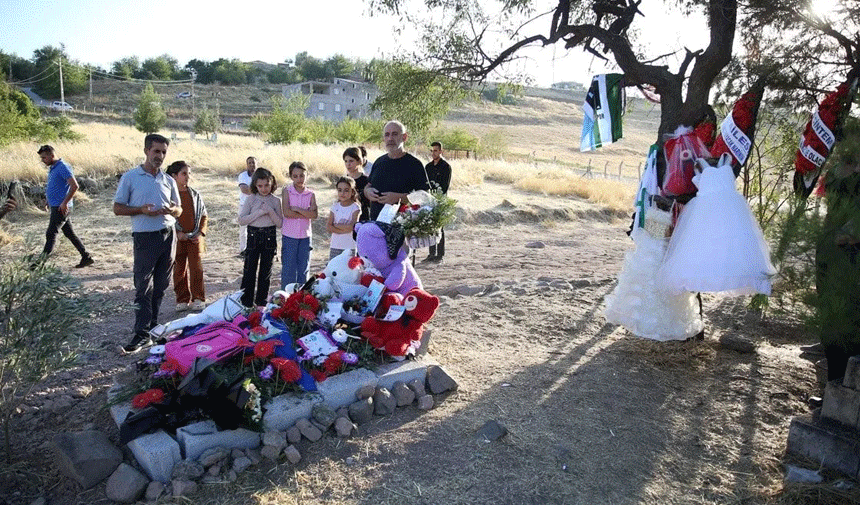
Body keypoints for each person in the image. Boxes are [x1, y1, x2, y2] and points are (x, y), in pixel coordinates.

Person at [113, 133, 182, 353]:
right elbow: (117, 208)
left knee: (161, 285)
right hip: (145, 238)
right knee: (143, 287)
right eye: (156, 151)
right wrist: (141, 210)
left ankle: (153, 328)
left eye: (163, 152)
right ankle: (140, 334)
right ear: (146, 151)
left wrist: (173, 210)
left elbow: (179, 209)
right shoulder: (131, 177)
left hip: (167, 236)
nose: (159, 156)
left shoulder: (168, 180)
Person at [36, 145, 93, 267]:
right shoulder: (53, 168)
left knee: (51, 234)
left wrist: (64, 203)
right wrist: (48, 200)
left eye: (44, 157)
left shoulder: (63, 167)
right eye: (41, 158)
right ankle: (86, 257)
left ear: (52, 155)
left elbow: (75, 186)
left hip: (61, 208)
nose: (42, 160)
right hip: (56, 206)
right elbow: (55, 186)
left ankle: (38, 265)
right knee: (69, 234)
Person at [364, 121, 430, 220]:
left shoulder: (415, 164)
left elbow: (425, 197)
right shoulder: (379, 162)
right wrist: (367, 191)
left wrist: (399, 198)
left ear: (404, 137)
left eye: (395, 134)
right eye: (387, 135)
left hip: (404, 226)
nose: (390, 138)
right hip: (376, 225)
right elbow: (368, 186)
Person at [166, 161, 208, 312]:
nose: (188, 177)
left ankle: (198, 298)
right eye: (184, 174)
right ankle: (182, 299)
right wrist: (177, 234)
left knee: (196, 268)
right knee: (179, 269)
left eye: (189, 173)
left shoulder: (195, 195)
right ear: (174, 176)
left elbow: (204, 215)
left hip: (194, 238)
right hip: (176, 239)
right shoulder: (168, 195)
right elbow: (165, 217)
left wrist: (200, 233)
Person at [239, 168, 282, 308]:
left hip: (269, 236)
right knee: (249, 269)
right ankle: (245, 302)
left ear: (272, 183)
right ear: (255, 185)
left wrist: (269, 211)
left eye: (267, 185)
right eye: (260, 186)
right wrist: (258, 213)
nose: (264, 189)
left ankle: (261, 302)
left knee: (265, 271)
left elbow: (280, 224)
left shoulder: (275, 201)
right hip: (253, 235)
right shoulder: (251, 199)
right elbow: (241, 220)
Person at [281, 161, 318, 287]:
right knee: (288, 268)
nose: (299, 179)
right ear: (291, 176)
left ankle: (302, 297)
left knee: (303, 268)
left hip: (305, 236)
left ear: (306, 175)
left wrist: (297, 209)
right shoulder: (287, 191)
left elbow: (314, 215)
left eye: (302, 175)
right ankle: (286, 296)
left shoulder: (311, 194)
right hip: (289, 236)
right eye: (295, 176)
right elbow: (286, 213)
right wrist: (306, 213)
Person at [423, 141, 452, 262]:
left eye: (435, 150)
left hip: (440, 200)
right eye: (432, 150)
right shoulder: (428, 167)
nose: (433, 153)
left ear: (441, 151)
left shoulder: (446, 167)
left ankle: (440, 255)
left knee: (439, 227)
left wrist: (436, 196)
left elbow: (444, 186)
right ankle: (431, 253)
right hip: (429, 200)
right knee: (430, 226)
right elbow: (425, 183)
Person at [327, 176, 361, 259]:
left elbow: (352, 227)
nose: (342, 193)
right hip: (335, 246)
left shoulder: (355, 208)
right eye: (340, 190)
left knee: (348, 271)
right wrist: (344, 229)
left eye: (346, 190)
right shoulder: (335, 206)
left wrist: (336, 226)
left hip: (349, 246)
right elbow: (329, 227)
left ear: (352, 192)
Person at [237, 156, 258, 257]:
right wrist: (258, 189)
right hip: (244, 205)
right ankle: (243, 249)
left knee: (256, 229)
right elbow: (244, 189)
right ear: (247, 164)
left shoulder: (259, 176)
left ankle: (254, 249)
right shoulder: (242, 175)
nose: (251, 164)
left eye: (253, 162)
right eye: (249, 163)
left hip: (256, 205)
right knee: (243, 229)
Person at [343, 147, 370, 221]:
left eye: (351, 161)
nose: (348, 164)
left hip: (362, 218)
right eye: (346, 161)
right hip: (346, 217)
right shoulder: (344, 180)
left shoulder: (366, 180)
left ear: (359, 161)